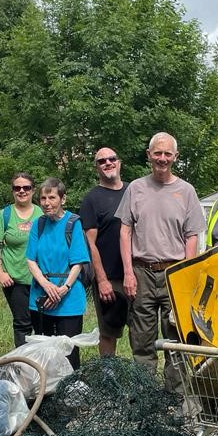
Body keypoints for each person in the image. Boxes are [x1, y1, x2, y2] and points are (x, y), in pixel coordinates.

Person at [116, 132, 205, 392]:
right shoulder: (135, 188)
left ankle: (173, 397)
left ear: (175, 157)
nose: (162, 159)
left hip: (173, 272)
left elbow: (192, 237)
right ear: (149, 155)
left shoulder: (186, 191)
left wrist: (186, 277)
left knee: (175, 338)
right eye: (158, 153)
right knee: (141, 339)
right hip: (142, 271)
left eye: (167, 154)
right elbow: (125, 232)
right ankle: (144, 396)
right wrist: (128, 273)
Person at [25, 177, 91, 370]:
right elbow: (31, 259)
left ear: (62, 199)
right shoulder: (38, 224)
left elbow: (78, 262)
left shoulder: (73, 224)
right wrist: (46, 285)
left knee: (68, 350)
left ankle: (69, 391)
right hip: (41, 296)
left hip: (68, 298)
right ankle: (45, 392)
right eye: (43, 198)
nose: (47, 203)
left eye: (52, 198)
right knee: (43, 349)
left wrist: (63, 289)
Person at [79, 147, 128, 357]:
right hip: (110, 277)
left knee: (142, 333)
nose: (108, 163)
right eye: (102, 161)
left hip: (137, 273)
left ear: (119, 162)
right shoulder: (92, 199)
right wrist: (102, 279)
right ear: (96, 168)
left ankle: (143, 380)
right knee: (109, 333)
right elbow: (90, 243)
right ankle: (109, 378)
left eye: (112, 159)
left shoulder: (133, 191)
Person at [0, 173, 43, 348]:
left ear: (33, 190)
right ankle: (22, 365)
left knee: (41, 325)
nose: (22, 191)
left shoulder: (42, 214)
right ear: (13, 191)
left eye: (26, 187)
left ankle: (41, 366)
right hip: (15, 280)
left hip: (40, 280)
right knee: (22, 324)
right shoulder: (5, 215)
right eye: (17, 188)